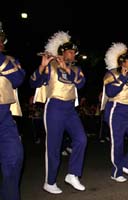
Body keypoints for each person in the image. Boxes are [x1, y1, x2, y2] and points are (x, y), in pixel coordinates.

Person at [29, 31, 87, 194]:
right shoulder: (50, 65)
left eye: (74, 52)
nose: (72, 54)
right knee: (53, 146)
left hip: (70, 109)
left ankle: (73, 174)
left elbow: (81, 84)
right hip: (54, 107)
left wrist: (66, 70)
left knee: (81, 139)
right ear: (62, 52)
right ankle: (50, 182)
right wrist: (42, 66)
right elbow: (33, 83)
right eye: (69, 51)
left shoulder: (76, 69)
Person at [101, 42, 128, 183]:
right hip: (116, 109)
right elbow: (110, 92)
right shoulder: (111, 73)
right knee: (118, 142)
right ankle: (116, 172)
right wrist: (124, 78)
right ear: (122, 62)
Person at [0, 21, 25, 200]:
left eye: (2, 38)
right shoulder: (8, 61)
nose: (2, 41)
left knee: (15, 157)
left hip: (4, 115)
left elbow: (18, 78)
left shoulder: (9, 59)